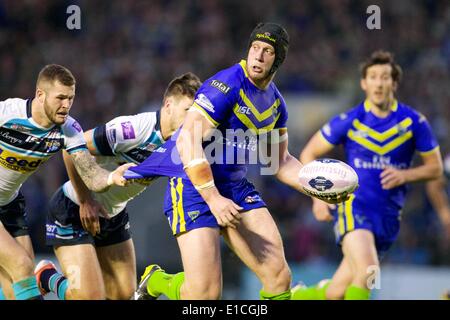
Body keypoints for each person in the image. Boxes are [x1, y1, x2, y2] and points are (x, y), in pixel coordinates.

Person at [131, 22, 347, 300]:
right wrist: (212, 198)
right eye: (254, 47)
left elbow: (280, 162)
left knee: (279, 277)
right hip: (193, 189)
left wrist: (318, 186)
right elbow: (187, 140)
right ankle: (156, 280)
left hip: (236, 188)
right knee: (204, 296)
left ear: (278, 59)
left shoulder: (276, 105)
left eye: (267, 51)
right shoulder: (226, 84)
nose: (258, 55)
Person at [32, 73, 202, 300]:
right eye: (187, 111)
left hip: (114, 216)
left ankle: (151, 280)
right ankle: (46, 276)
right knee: (89, 297)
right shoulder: (133, 129)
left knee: (123, 296)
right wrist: (85, 201)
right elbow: (71, 150)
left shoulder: (184, 142)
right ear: (169, 105)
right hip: (74, 210)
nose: (192, 119)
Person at [294, 50, 444, 300]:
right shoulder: (350, 120)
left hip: (388, 216)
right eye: (373, 77)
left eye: (385, 77)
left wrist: (406, 175)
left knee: (337, 292)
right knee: (368, 270)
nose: (379, 82)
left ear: (394, 83)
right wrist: (318, 197)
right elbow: (308, 154)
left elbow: (436, 168)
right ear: (364, 83)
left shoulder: (414, 122)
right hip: (354, 206)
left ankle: (298, 296)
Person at [0, 64, 132, 300]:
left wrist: (112, 176)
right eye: (60, 97)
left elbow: (90, 172)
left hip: (9, 204)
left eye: (70, 98)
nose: (66, 105)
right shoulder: (8, 113)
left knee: (17, 285)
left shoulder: (69, 129)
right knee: (21, 265)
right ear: (40, 95)